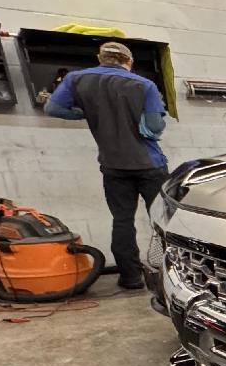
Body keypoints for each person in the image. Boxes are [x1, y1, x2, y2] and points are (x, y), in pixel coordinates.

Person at [45, 41, 170, 289]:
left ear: (100, 58)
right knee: (163, 222)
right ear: (129, 62)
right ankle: (170, 277)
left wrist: (85, 114)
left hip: (113, 165)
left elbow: (53, 108)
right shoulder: (143, 85)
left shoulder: (76, 80)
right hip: (149, 164)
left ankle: (130, 277)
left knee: (122, 221)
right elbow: (155, 127)